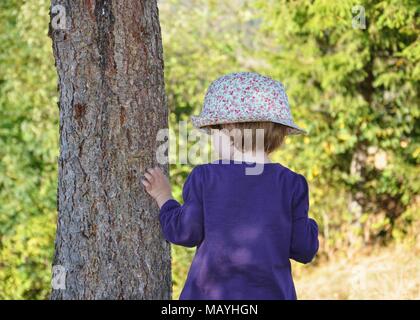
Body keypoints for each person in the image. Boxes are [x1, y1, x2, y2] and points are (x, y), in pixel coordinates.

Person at [142, 72, 319, 299]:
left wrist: (163, 197)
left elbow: (185, 232)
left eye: (213, 130)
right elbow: (304, 249)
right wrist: (310, 225)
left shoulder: (206, 177)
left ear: (228, 127)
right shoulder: (293, 184)